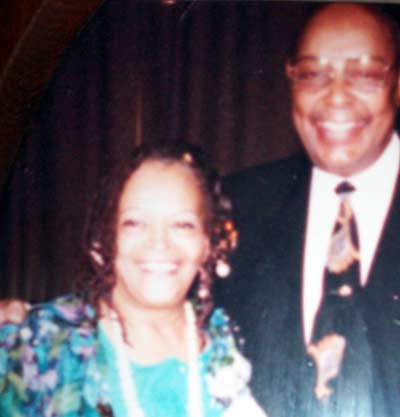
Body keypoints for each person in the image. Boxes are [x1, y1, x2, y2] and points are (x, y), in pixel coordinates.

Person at [216, 3, 400, 417]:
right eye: (313, 74)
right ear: (289, 79)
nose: (335, 96)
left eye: (365, 74)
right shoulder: (235, 206)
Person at [0, 142, 267, 417]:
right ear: (104, 238)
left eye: (183, 225)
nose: (159, 243)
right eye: (135, 223)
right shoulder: (41, 346)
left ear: (207, 244)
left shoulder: (226, 343)